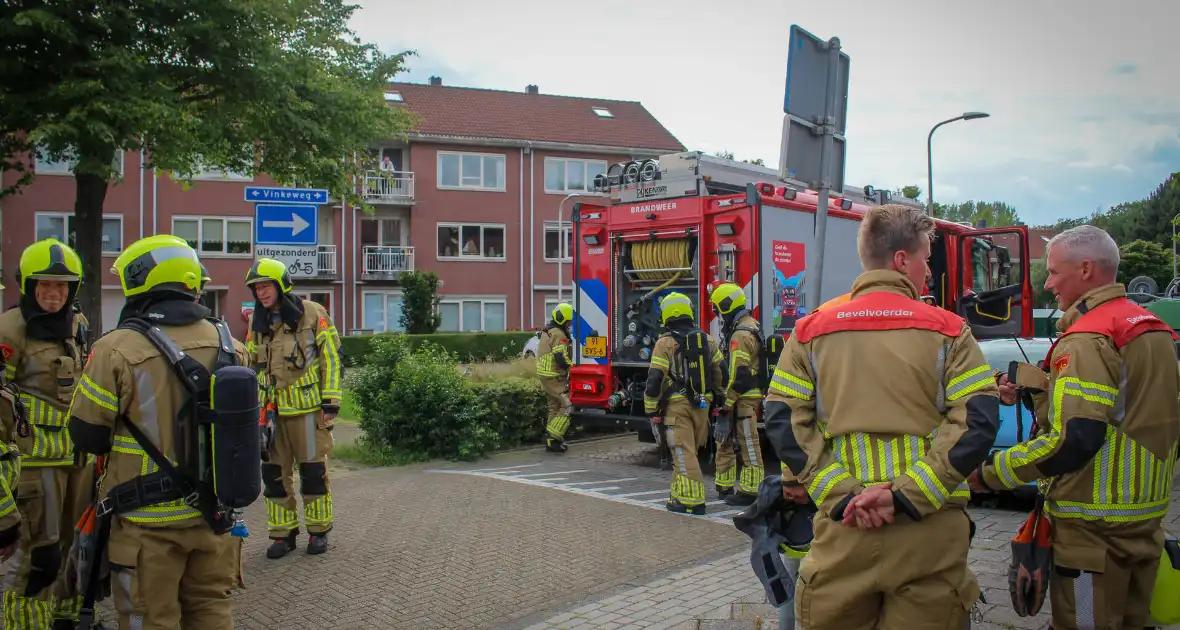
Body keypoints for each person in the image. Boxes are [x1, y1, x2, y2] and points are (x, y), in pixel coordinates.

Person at [765, 204, 1001, 629]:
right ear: (901, 260)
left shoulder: (809, 332)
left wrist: (841, 495)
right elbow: (978, 421)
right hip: (928, 537)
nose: (928, 271)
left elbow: (784, 420)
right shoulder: (949, 331)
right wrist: (905, 496)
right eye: (926, 259)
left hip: (845, 531)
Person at [970, 224, 1180, 630]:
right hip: (1145, 519)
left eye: (1053, 272)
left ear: (1085, 270)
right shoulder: (1152, 329)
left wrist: (991, 474)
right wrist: (1043, 388)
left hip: (1093, 532)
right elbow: (1130, 409)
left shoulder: (1088, 338)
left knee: (1084, 623)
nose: (1048, 284)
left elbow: (1075, 439)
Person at [67, 235, 248, 628]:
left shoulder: (116, 348)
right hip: (213, 518)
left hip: (145, 525)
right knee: (211, 611)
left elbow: (87, 435)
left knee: (150, 618)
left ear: (138, 282)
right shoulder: (230, 344)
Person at [0, 239, 93, 629]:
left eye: (62, 286)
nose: (53, 295)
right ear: (28, 287)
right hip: (34, 467)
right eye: (44, 286)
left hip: (75, 462)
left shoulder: (77, 325)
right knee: (38, 559)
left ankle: (64, 619)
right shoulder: (9, 329)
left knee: (72, 548)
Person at [245, 258, 342, 558]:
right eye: (257, 288)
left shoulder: (312, 313)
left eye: (266, 286)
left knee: (312, 473)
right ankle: (282, 535)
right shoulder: (256, 322)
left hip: (308, 411)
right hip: (271, 415)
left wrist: (331, 402)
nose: (261, 293)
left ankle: (318, 531)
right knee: (274, 476)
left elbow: (331, 358)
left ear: (281, 284)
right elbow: (250, 364)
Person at [643, 292, 725, 515]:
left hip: (677, 408)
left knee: (682, 452)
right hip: (703, 404)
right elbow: (722, 373)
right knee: (689, 452)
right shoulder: (708, 340)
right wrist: (719, 398)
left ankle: (692, 501)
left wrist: (651, 408)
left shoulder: (664, 343)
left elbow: (654, 380)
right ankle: (680, 495)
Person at [708, 283, 766, 507]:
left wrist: (727, 403)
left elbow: (739, 373)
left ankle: (751, 492)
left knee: (748, 443)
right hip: (745, 396)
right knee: (728, 441)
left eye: (718, 309)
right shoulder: (751, 325)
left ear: (726, 306)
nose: (718, 315)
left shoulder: (740, 334)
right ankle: (725, 487)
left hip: (743, 398)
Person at [536, 303, 575, 453]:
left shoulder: (547, 331)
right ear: (563, 321)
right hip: (554, 376)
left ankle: (550, 439)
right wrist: (572, 367)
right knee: (568, 405)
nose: (570, 325)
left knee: (554, 406)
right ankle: (553, 438)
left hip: (544, 375)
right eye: (569, 322)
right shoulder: (559, 334)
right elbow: (560, 357)